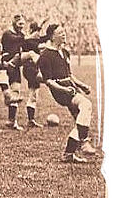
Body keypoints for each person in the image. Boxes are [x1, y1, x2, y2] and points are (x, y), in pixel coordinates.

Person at [37, 24, 96, 163]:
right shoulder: (45, 55)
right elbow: (49, 81)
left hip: (69, 86)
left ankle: (69, 154)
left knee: (80, 118)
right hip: (60, 89)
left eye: (64, 32)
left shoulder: (65, 52)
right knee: (86, 104)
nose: (64, 34)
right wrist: (63, 89)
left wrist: (82, 85)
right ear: (52, 36)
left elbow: (69, 75)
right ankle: (84, 142)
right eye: (60, 33)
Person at [0, 14, 26, 131]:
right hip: (6, 62)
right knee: (4, 81)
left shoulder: (21, 35)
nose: (22, 26)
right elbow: (16, 40)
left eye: (23, 24)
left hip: (15, 65)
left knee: (15, 91)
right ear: (14, 23)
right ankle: (6, 95)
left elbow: (24, 45)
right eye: (20, 24)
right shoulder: (7, 34)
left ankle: (12, 121)